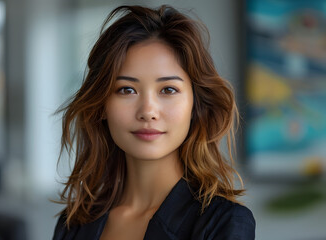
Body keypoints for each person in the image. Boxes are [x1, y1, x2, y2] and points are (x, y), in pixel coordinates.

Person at [53, 4, 255, 240]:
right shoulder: (74, 223)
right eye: (126, 89)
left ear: (195, 105)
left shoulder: (222, 222)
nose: (148, 111)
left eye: (168, 89)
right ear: (102, 105)